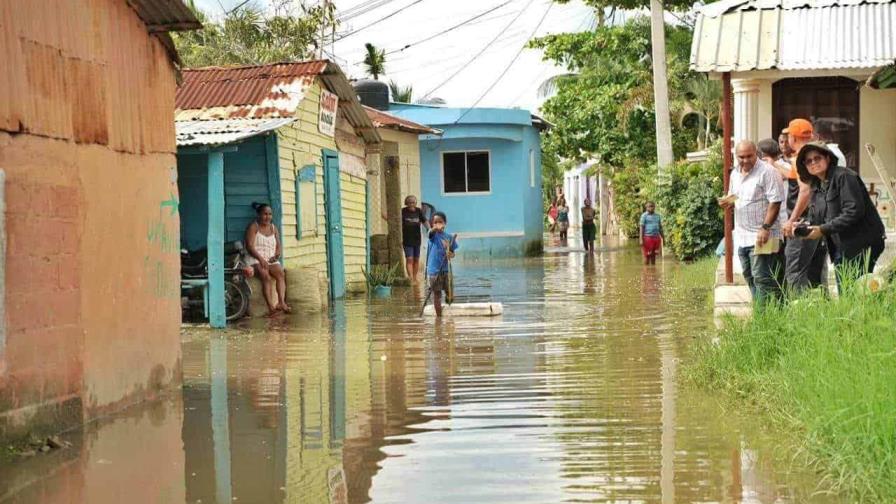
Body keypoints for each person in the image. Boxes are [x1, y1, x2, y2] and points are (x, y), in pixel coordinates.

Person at [796, 142, 886, 286]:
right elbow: (817, 217)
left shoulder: (844, 176)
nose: (813, 163)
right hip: (840, 246)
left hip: (861, 243)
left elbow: (853, 211)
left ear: (828, 158)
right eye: (808, 161)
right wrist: (803, 225)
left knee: (856, 291)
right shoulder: (817, 185)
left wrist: (823, 229)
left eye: (817, 158)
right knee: (847, 290)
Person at [719, 141, 785, 305]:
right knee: (750, 276)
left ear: (757, 153)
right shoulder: (735, 173)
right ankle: (762, 314)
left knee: (763, 278)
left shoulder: (768, 172)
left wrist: (765, 227)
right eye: (741, 157)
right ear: (736, 156)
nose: (745, 160)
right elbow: (735, 196)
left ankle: (768, 317)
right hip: (742, 236)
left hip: (764, 235)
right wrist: (727, 201)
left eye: (749, 156)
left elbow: (775, 202)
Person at [779, 118, 827, 292]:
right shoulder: (818, 156)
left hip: (802, 223)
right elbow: (796, 177)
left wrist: (792, 220)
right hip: (820, 220)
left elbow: (805, 190)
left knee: (796, 272)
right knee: (817, 272)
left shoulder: (799, 158)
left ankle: (800, 312)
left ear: (792, 137)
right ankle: (822, 312)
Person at [245, 202, 290, 315]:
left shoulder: (274, 228)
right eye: (265, 214)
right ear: (259, 215)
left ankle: (281, 302)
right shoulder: (253, 227)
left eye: (270, 214)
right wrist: (261, 259)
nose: (267, 217)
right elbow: (250, 247)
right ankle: (271, 308)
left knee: (280, 273)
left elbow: (278, 245)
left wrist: (277, 255)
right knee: (266, 276)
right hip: (255, 258)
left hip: (270, 258)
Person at [426, 212, 458, 317]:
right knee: (437, 294)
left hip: (446, 269)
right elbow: (430, 233)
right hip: (434, 270)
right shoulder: (433, 236)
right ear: (432, 224)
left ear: (445, 223)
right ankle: (438, 318)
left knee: (450, 292)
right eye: (435, 222)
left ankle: (448, 306)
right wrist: (434, 229)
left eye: (440, 222)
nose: (438, 224)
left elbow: (453, 253)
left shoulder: (449, 237)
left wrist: (450, 254)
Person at [401, 195, 428, 282]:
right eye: (409, 202)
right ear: (406, 203)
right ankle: (410, 278)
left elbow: (425, 221)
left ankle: (415, 277)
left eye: (413, 202)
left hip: (417, 239)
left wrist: (430, 229)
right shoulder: (403, 211)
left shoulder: (418, 211)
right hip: (407, 239)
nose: (412, 204)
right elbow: (396, 220)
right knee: (409, 259)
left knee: (416, 259)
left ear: (416, 203)